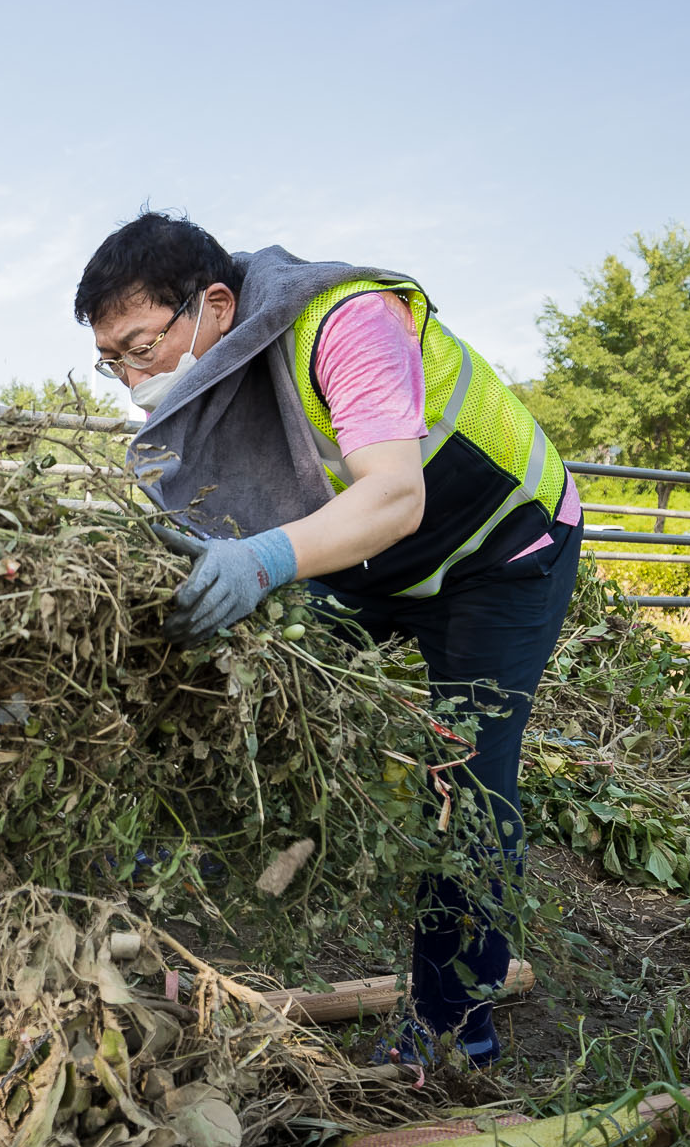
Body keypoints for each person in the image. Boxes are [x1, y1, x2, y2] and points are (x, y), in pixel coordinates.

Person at [75, 214, 580, 1067]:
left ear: (215, 304)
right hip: (369, 558)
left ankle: (454, 1026)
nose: (131, 382)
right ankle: (165, 953)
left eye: (140, 349)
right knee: (228, 695)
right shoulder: (218, 379)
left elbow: (392, 495)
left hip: (496, 545)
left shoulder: (343, 321)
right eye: (111, 361)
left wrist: (266, 562)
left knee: (463, 776)